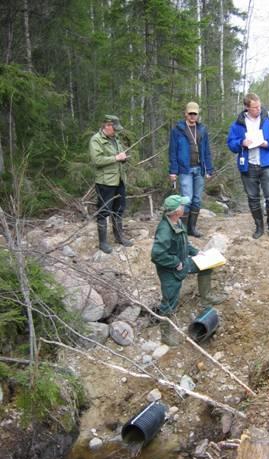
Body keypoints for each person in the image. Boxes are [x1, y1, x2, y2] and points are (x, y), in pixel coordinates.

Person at [151, 194, 225, 345]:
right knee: (169, 302)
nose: (184, 207)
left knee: (206, 265)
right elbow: (156, 255)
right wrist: (174, 262)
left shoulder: (177, 221)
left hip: (184, 262)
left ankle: (207, 297)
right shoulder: (165, 230)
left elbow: (184, 242)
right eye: (182, 206)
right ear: (177, 211)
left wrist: (196, 252)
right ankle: (166, 335)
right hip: (170, 271)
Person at [227, 92, 269, 240]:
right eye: (254, 107)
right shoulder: (238, 123)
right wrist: (241, 143)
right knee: (253, 197)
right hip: (248, 165)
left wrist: (268, 143)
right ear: (246, 107)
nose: (258, 109)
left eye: (259, 106)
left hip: (267, 163)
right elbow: (231, 144)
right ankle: (259, 227)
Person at [169, 102, 214, 238]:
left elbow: (206, 151)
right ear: (186, 114)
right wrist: (173, 171)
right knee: (186, 199)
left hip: (199, 169)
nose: (193, 116)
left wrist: (209, 169)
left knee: (197, 200)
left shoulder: (202, 130)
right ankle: (182, 229)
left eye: (195, 113)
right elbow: (172, 151)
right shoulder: (177, 130)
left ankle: (192, 228)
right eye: (190, 113)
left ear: (198, 115)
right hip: (185, 169)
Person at [89, 115, 133, 254]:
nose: (116, 131)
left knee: (119, 209)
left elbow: (119, 156)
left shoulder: (115, 139)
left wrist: (123, 158)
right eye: (114, 128)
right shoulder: (96, 140)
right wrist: (116, 158)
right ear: (107, 125)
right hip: (105, 182)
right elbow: (97, 160)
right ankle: (103, 243)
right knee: (103, 211)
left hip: (119, 179)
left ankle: (119, 237)